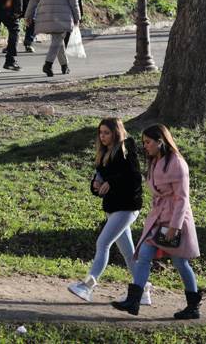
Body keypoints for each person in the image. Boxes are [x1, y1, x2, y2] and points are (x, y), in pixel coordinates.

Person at [113, 125, 202, 319]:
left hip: (175, 219)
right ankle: (134, 300)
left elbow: (182, 199)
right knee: (144, 255)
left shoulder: (177, 163)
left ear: (160, 142)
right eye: (144, 142)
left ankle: (193, 306)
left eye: (148, 142)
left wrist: (175, 226)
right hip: (157, 217)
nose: (145, 146)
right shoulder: (155, 162)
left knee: (180, 262)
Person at [67, 118, 152, 306]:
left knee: (103, 243)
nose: (102, 136)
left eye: (106, 132)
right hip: (112, 208)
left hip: (127, 207)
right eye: (100, 132)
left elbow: (133, 177)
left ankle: (87, 286)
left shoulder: (127, 148)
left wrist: (111, 183)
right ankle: (143, 291)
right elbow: (100, 178)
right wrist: (95, 185)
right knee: (128, 254)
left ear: (116, 132)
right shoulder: (103, 153)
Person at [24, 0, 80, 76]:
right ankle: (48, 64)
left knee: (57, 39)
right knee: (57, 38)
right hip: (62, 13)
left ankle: (65, 66)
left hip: (45, 13)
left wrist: (28, 15)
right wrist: (77, 16)